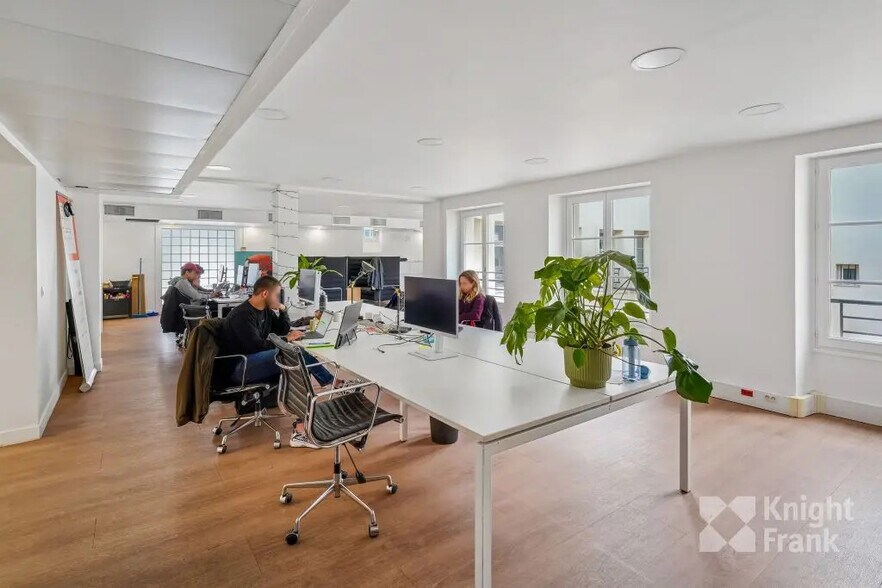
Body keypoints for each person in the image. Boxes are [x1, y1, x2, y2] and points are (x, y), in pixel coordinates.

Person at [218, 275, 334, 448]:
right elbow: (257, 346)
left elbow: (282, 328)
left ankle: (303, 422)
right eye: (277, 295)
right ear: (265, 294)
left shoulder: (264, 310)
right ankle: (331, 385)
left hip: (254, 361)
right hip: (241, 367)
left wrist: (283, 309)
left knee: (296, 362)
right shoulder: (242, 315)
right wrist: (286, 340)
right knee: (295, 355)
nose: (278, 298)